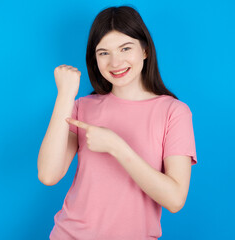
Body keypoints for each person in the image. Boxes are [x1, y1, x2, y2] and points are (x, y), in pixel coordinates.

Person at [37, 5, 197, 240]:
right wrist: (65, 95)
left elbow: (175, 199)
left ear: (144, 50)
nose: (115, 62)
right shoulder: (83, 106)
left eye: (125, 48)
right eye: (104, 53)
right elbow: (48, 175)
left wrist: (117, 146)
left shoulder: (174, 112)